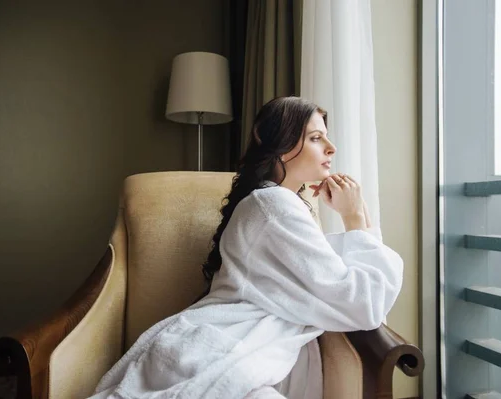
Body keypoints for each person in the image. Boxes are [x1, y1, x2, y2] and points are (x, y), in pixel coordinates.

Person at [88, 96, 404, 399]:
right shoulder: (274, 204)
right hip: (226, 345)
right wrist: (353, 218)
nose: (331, 147)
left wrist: (358, 215)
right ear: (283, 147)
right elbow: (361, 303)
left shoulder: (274, 203)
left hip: (222, 339)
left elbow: (339, 278)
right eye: (316, 138)